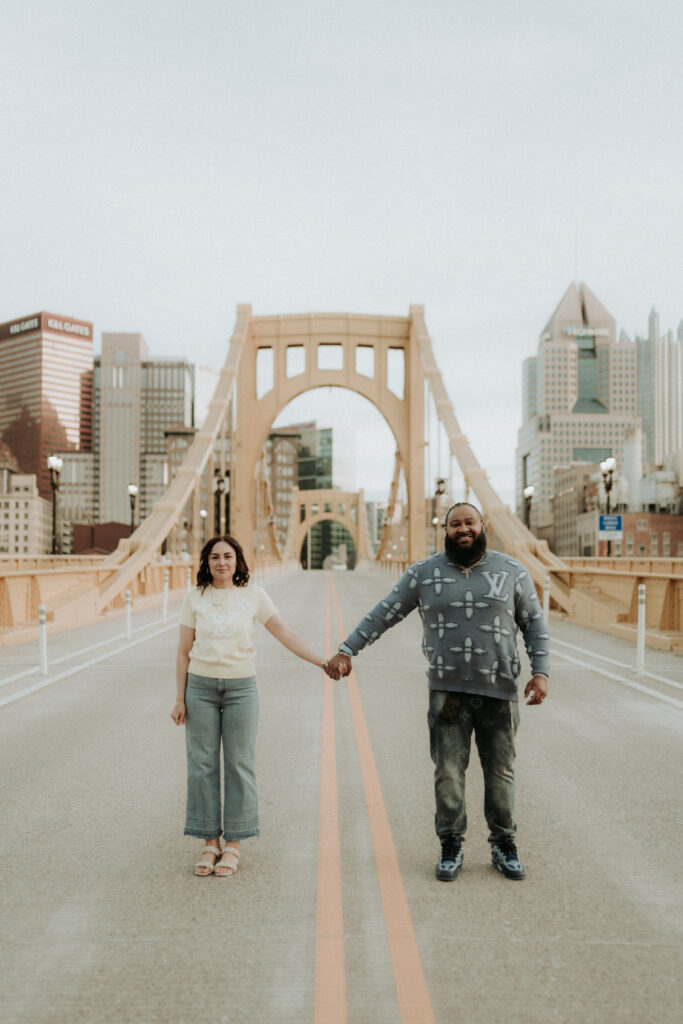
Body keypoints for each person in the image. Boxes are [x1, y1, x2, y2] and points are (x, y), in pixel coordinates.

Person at [324, 502, 550, 882]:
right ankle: (451, 844)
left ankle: (504, 844)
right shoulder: (423, 574)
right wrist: (347, 649)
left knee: (501, 773)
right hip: (447, 693)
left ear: (483, 526)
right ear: (445, 530)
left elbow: (534, 624)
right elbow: (385, 612)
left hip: (499, 691)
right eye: (455, 524)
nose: (463, 529)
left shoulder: (513, 571)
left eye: (470, 522)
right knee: (448, 773)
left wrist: (541, 672)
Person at [172, 534, 335, 877]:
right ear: (207, 563)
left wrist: (322, 661)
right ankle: (210, 843)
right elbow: (183, 651)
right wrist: (179, 698)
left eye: (227, 556)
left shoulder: (254, 596)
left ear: (238, 561)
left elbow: (285, 634)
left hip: (241, 690)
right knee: (201, 766)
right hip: (200, 689)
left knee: (239, 764)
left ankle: (233, 844)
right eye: (215, 557)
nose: (221, 562)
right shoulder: (194, 597)